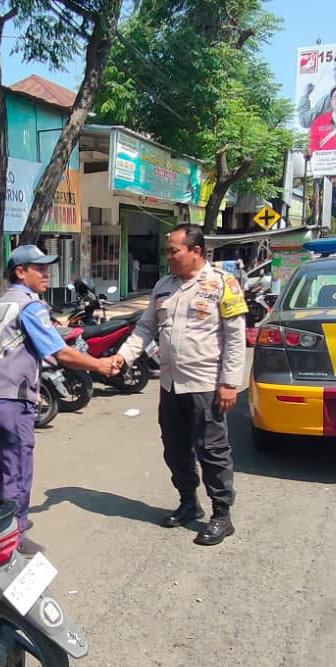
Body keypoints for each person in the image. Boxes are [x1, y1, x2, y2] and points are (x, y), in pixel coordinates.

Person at [111, 224, 248, 546]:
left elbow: (235, 337)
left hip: (205, 384)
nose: (169, 256)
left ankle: (221, 514)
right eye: (168, 251)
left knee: (212, 451)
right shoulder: (163, 286)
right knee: (175, 448)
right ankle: (188, 501)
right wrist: (123, 357)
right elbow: (145, 329)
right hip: (171, 384)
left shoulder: (222, 284)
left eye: (174, 250)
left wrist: (229, 383)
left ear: (195, 251)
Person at [0, 245, 115, 554]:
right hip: (13, 399)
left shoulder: (0, 304)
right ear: (20, 272)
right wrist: (99, 365)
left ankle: (3, 525)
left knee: (2, 467)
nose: (46, 274)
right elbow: (59, 352)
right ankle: (13, 541)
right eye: (39, 268)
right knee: (18, 467)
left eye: (46, 267)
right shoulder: (30, 305)